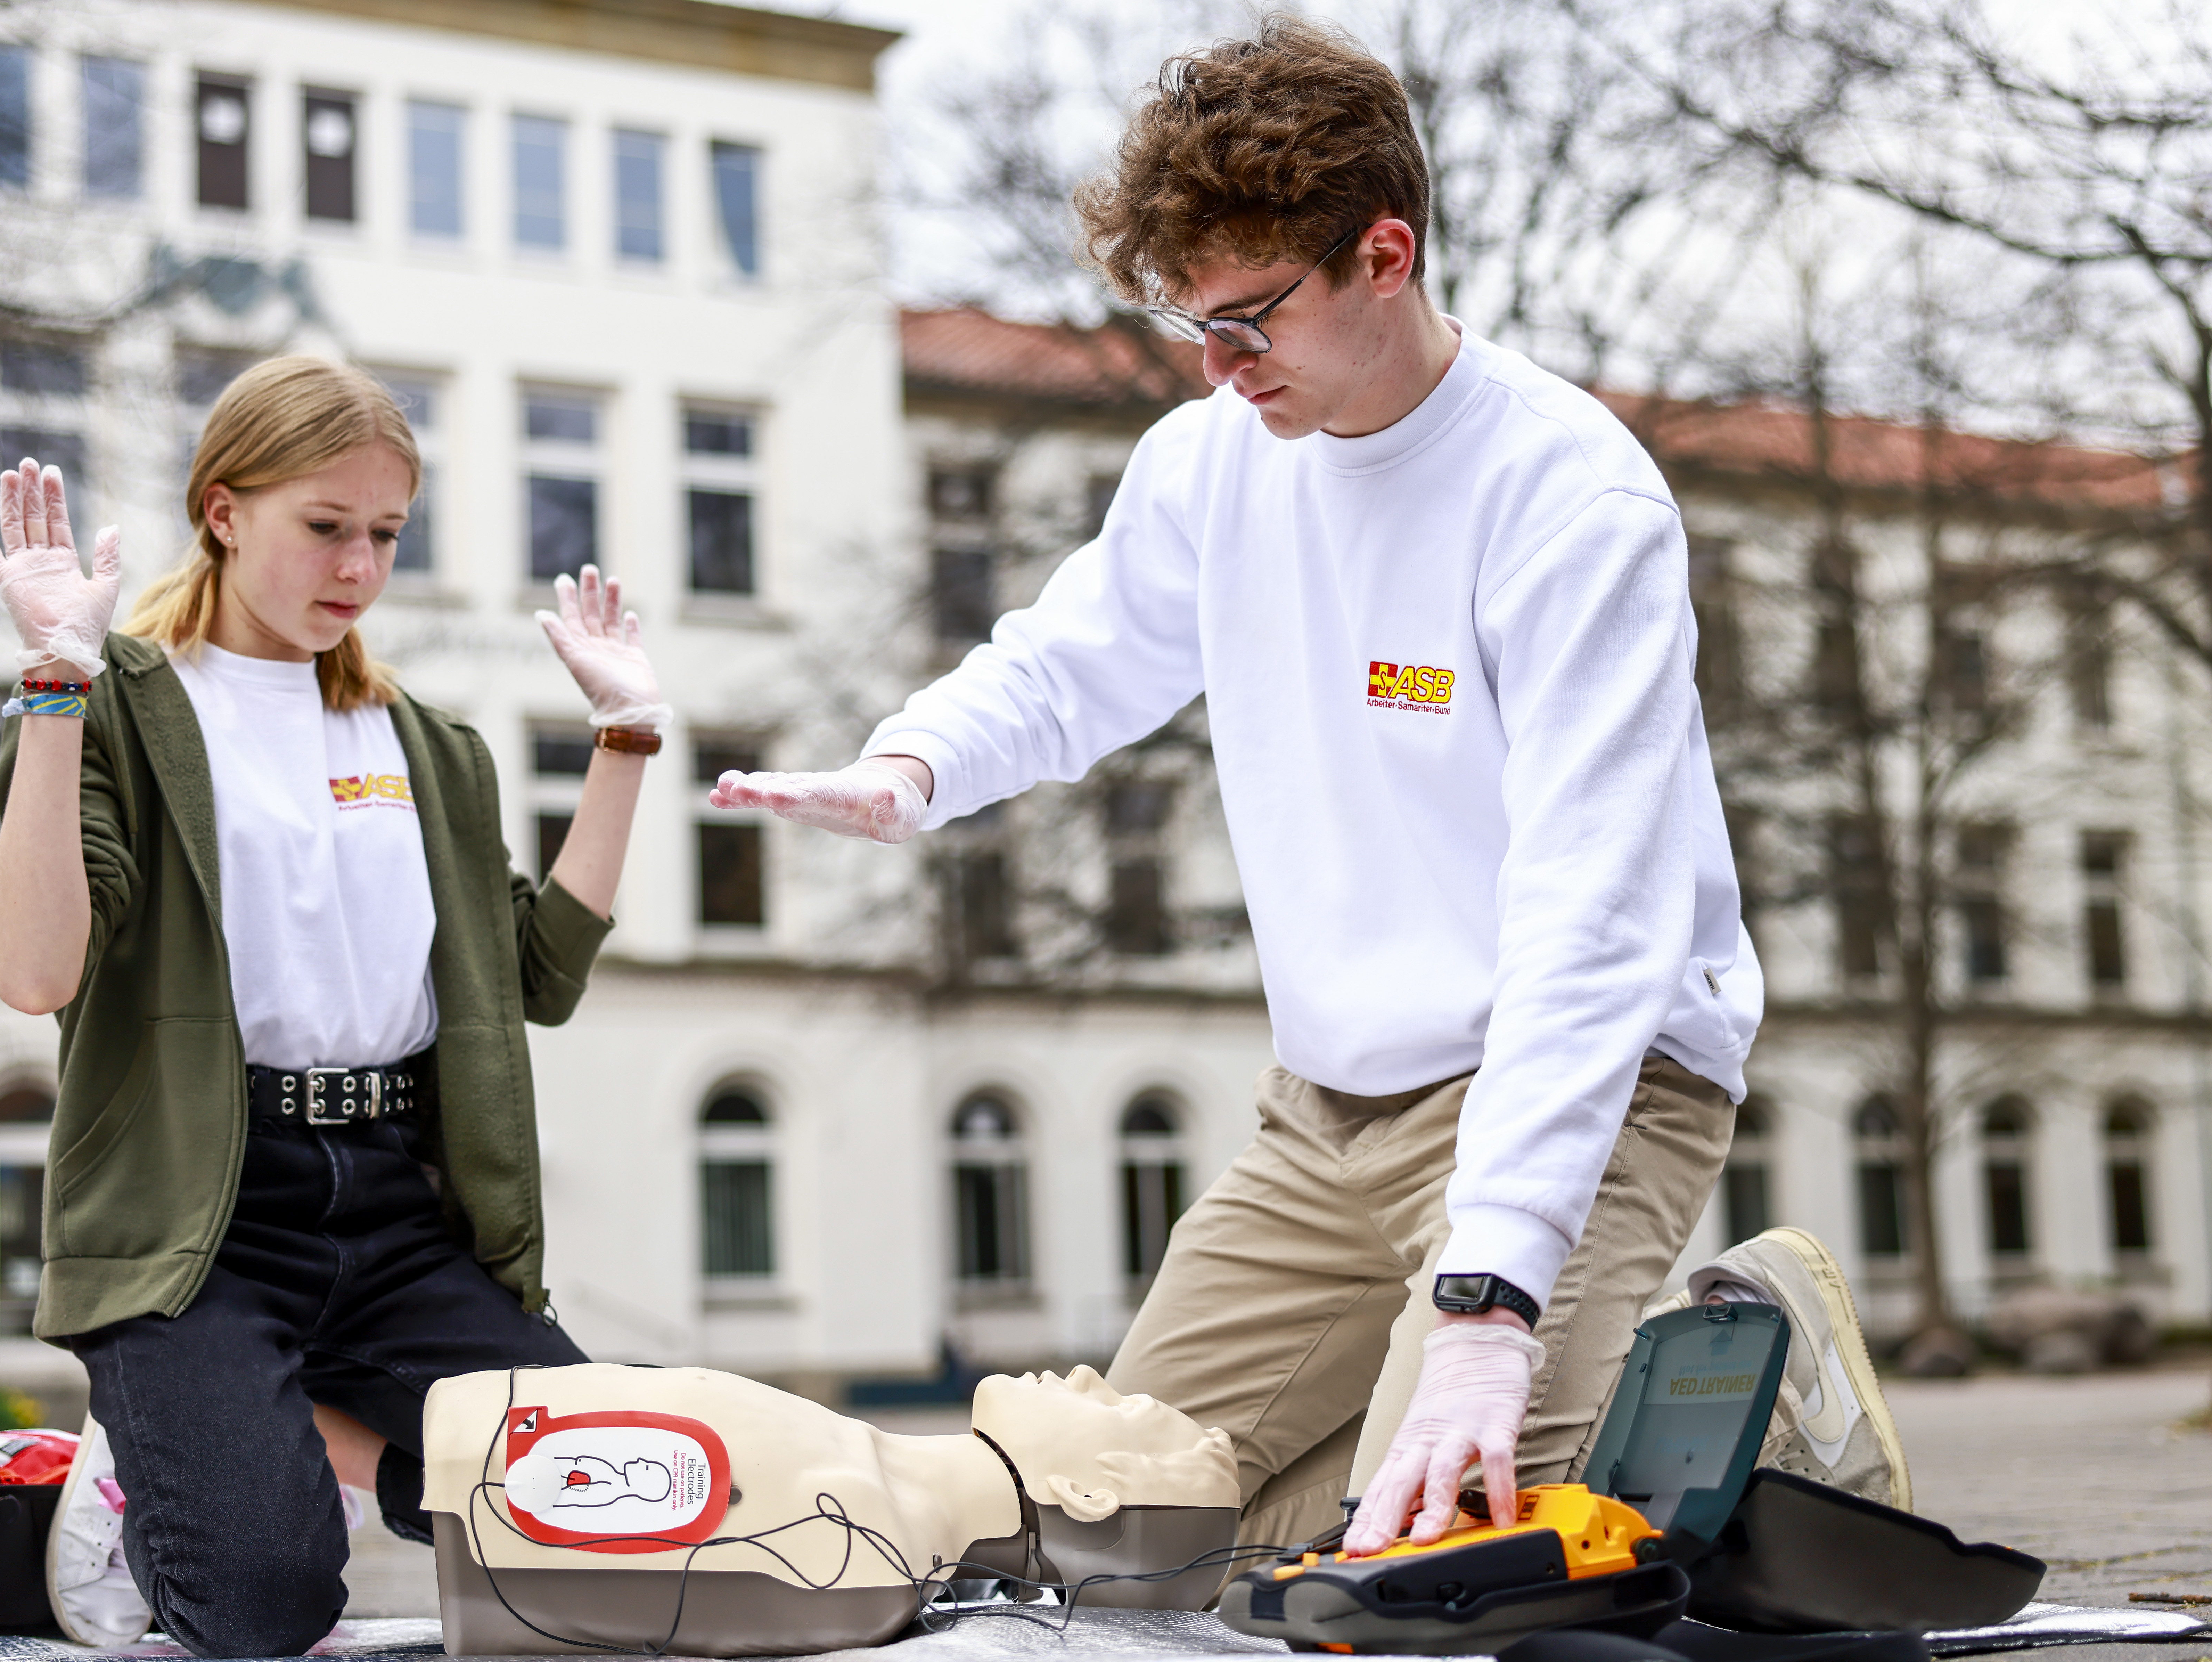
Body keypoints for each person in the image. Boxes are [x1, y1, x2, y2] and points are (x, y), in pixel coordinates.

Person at [710, 20, 1907, 1559]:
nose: (1219, 368)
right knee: (1103, 1533)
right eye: (1192, 326)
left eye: (1252, 320)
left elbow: (1594, 916)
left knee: (1437, 1564)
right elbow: (1070, 661)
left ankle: (1746, 1374)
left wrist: (1487, 1302)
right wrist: (912, 767)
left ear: (1384, 254)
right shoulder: (1215, 460)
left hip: (1576, 1083)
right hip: (1324, 1122)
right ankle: (1536, 1389)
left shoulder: (1568, 500)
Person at [0, 357, 669, 1655]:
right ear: (225, 511)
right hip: (205, 1214)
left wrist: (625, 741)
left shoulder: (428, 747)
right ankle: (152, 1466)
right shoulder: (120, 704)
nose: (357, 567)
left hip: (394, 1208)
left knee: (633, 1505)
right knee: (264, 1604)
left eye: (386, 534)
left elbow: (535, 979)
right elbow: (36, 971)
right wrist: (56, 684)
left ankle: (298, 1428)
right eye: (325, 527)